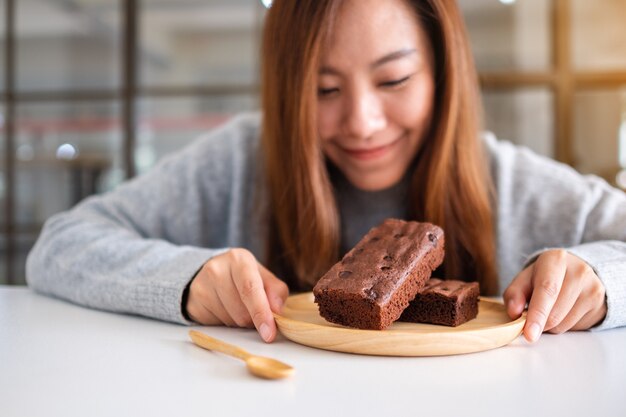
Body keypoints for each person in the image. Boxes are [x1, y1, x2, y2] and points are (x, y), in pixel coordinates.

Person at [26, 0, 625, 344]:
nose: (362, 122)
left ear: (444, 76)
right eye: (323, 89)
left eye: (394, 80)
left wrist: (601, 279)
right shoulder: (241, 162)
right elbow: (60, 245)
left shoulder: (510, 180)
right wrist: (186, 280)